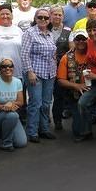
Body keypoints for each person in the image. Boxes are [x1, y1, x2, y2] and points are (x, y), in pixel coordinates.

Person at [21, 9, 58, 143]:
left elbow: (53, 52)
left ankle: (44, 129)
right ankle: (32, 131)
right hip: (35, 73)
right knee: (35, 103)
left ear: (49, 19)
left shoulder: (50, 34)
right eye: (40, 17)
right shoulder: (29, 33)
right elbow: (24, 54)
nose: (43, 19)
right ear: (35, 18)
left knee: (46, 103)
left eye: (46, 17)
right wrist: (29, 72)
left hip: (50, 74)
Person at [0, 57, 27, 151]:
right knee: (13, 115)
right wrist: (4, 107)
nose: (7, 68)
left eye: (10, 66)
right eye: (4, 66)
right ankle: (6, 143)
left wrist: (11, 104)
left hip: (10, 114)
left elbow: (21, 102)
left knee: (21, 143)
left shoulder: (17, 81)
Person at [57, 29, 91, 137]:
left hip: (93, 90)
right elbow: (61, 80)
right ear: (74, 41)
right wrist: (77, 86)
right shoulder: (66, 57)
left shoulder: (93, 54)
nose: (80, 41)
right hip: (74, 93)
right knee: (78, 131)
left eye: (83, 39)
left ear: (87, 40)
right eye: (78, 39)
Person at [50, 5, 73, 130]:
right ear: (50, 15)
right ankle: (44, 120)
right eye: (55, 14)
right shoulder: (45, 28)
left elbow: (72, 49)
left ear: (63, 16)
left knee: (59, 95)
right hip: (45, 67)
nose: (57, 16)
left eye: (60, 14)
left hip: (61, 68)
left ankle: (57, 120)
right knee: (46, 97)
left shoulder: (68, 30)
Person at [0, 4, 23, 80]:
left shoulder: (19, 31)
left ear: (12, 16)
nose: (5, 16)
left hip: (17, 70)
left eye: (7, 14)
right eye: (2, 14)